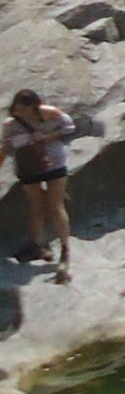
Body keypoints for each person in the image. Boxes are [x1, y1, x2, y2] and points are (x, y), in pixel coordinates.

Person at [6, 90, 74, 281]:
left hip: (55, 163)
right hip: (29, 167)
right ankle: (38, 245)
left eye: (25, 110)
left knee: (55, 206)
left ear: (34, 106)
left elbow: (69, 128)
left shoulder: (51, 113)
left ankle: (65, 248)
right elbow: (6, 145)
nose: (21, 113)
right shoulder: (11, 123)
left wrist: (48, 136)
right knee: (36, 207)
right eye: (18, 109)